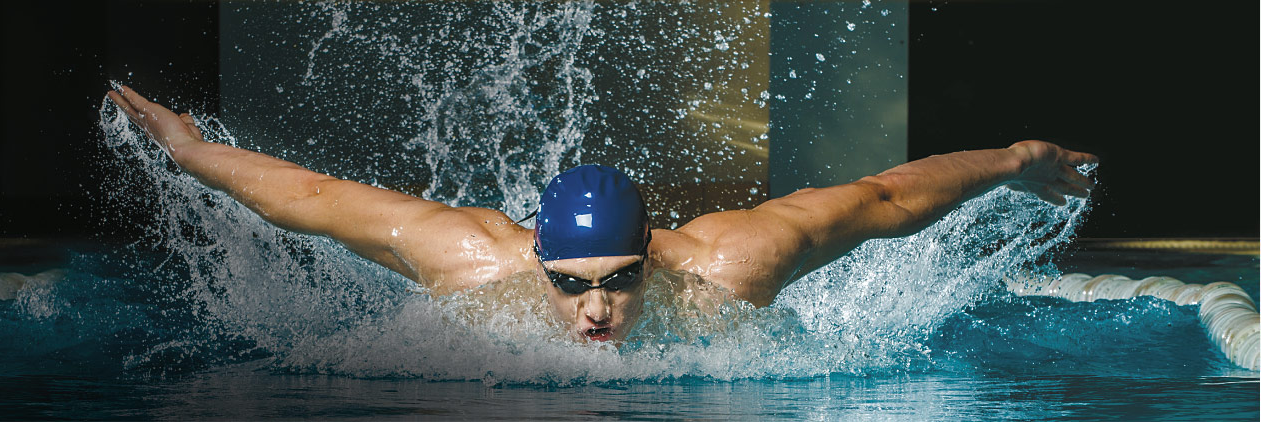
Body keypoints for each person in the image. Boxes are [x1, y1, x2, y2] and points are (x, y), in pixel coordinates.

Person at [106, 86, 1098, 344]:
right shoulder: (475, 265)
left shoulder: (729, 265)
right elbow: (318, 201)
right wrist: (194, 153)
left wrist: (1016, 160)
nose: (595, 310)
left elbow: (882, 197)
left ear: (652, 256)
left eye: (619, 278)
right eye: (572, 284)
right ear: (535, 260)